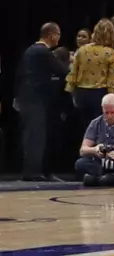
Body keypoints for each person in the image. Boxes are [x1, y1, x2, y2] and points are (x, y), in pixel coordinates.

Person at [13, 22, 66, 181]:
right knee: (36, 136)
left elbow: (19, 74)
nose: (58, 39)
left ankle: (31, 170)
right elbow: (61, 70)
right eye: (58, 36)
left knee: (30, 135)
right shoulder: (43, 52)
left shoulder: (29, 50)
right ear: (51, 35)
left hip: (25, 97)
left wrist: (16, 96)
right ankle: (32, 172)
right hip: (34, 99)